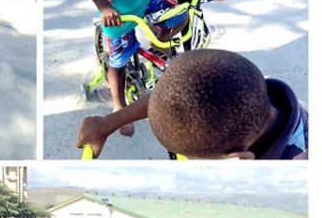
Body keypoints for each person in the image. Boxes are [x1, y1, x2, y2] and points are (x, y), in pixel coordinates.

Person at [79, 0, 214, 136]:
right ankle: (119, 106)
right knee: (118, 60)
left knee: (181, 15)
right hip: (119, 11)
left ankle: (159, 41)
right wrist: (104, 7)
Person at [77, 49, 309, 160]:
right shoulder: (252, 92)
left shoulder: (296, 159)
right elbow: (168, 96)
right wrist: (108, 122)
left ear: (235, 159)